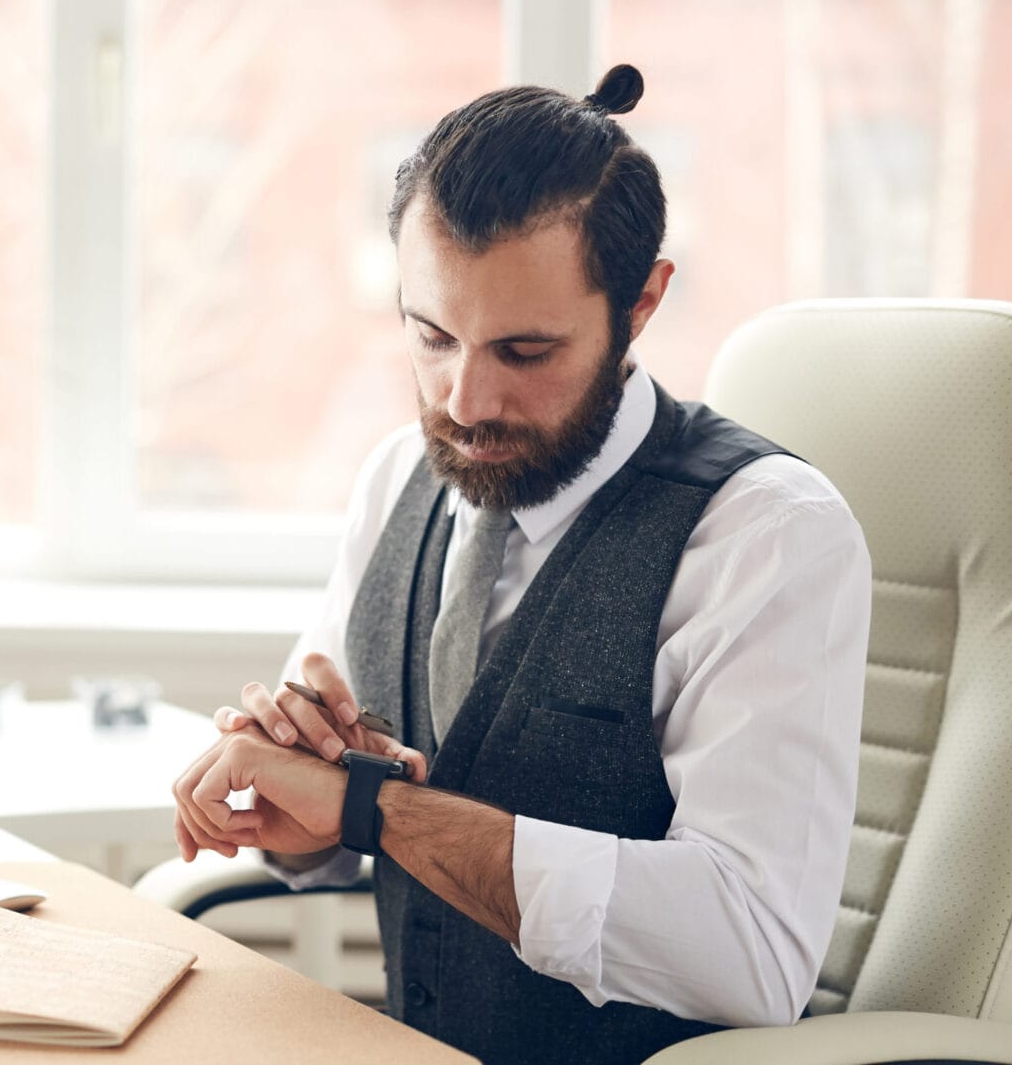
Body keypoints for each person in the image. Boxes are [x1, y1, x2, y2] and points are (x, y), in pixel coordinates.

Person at [170, 65, 871, 1065]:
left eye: (526, 350)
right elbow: (332, 811)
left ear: (641, 303)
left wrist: (377, 807)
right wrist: (305, 805)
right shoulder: (397, 480)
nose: (466, 399)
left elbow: (751, 951)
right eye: (432, 335)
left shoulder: (763, 535)